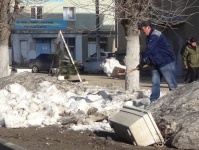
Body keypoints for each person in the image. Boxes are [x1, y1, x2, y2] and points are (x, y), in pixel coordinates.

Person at [140, 21, 178, 103]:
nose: (142, 32)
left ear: (148, 27)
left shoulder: (155, 35)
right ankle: (153, 100)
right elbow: (153, 51)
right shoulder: (150, 36)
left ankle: (176, 101)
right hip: (156, 63)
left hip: (166, 61)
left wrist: (143, 60)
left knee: (172, 84)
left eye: (143, 30)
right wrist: (148, 61)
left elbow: (150, 49)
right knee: (155, 82)